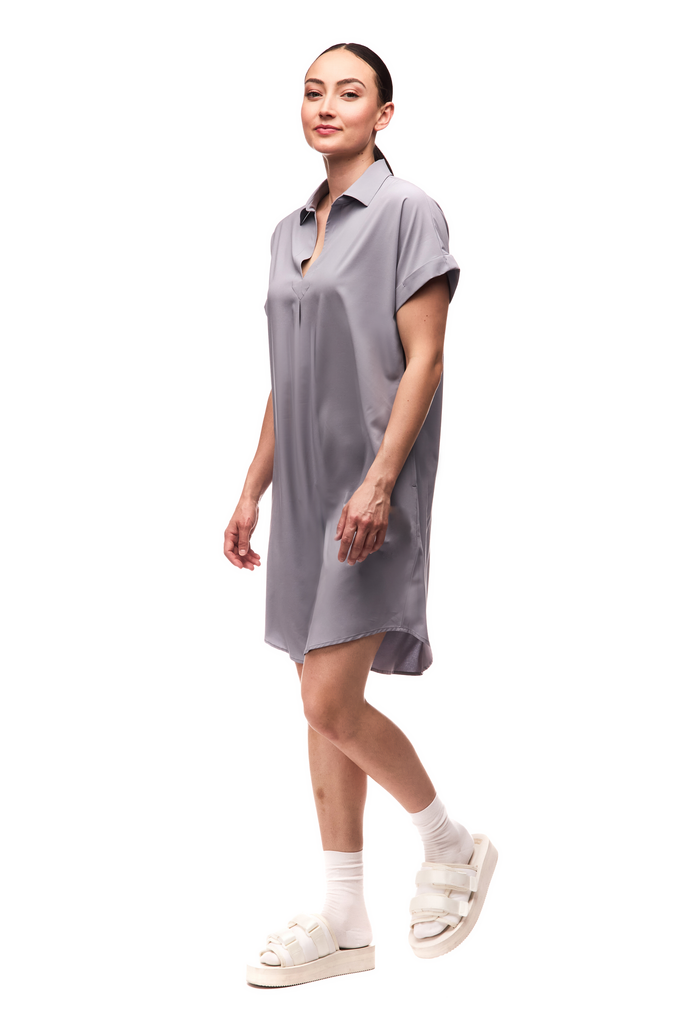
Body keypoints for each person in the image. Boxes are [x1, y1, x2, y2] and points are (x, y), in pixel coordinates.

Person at [224, 42, 497, 988]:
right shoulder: (287, 230)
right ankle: (344, 919)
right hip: (302, 495)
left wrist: (381, 482)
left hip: (368, 493)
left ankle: (450, 843)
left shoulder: (407, 210)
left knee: (328, 701)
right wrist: (252, 488)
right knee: (321, 710)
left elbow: (425, 357)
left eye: (349, 92)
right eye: (313, 91)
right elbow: (287, 372)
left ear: (383, 115)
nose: (326, 105)